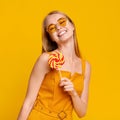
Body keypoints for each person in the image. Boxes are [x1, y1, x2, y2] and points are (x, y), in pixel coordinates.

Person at [17, 10, 91, 120]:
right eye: (52, 28)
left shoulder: (86, 66)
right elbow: (28, 102)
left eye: (62, 22)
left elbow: (82, 112)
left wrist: (73, 93)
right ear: (51, 37)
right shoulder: (46, 59)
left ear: (72, 26)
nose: (58, 27)